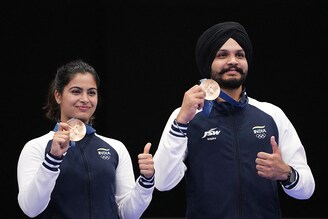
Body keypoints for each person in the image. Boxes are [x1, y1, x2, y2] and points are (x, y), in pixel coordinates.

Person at [153, 21, 315, 218]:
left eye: (240, 54)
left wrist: (286, 173)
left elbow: (307, 190)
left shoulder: (272, 114)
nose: (233, 61)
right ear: (208, 64)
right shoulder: (186, 116)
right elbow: (162, 182)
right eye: (222, 55)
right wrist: (181, 123)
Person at [17, 59, 155, 219]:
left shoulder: (115, 148)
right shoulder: (37, 147)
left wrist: (146, 181)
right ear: (58, 95)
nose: (85, 99)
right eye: (76, 91)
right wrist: (52, 160)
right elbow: (31, 209)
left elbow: (128, 214)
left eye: (91, 92)